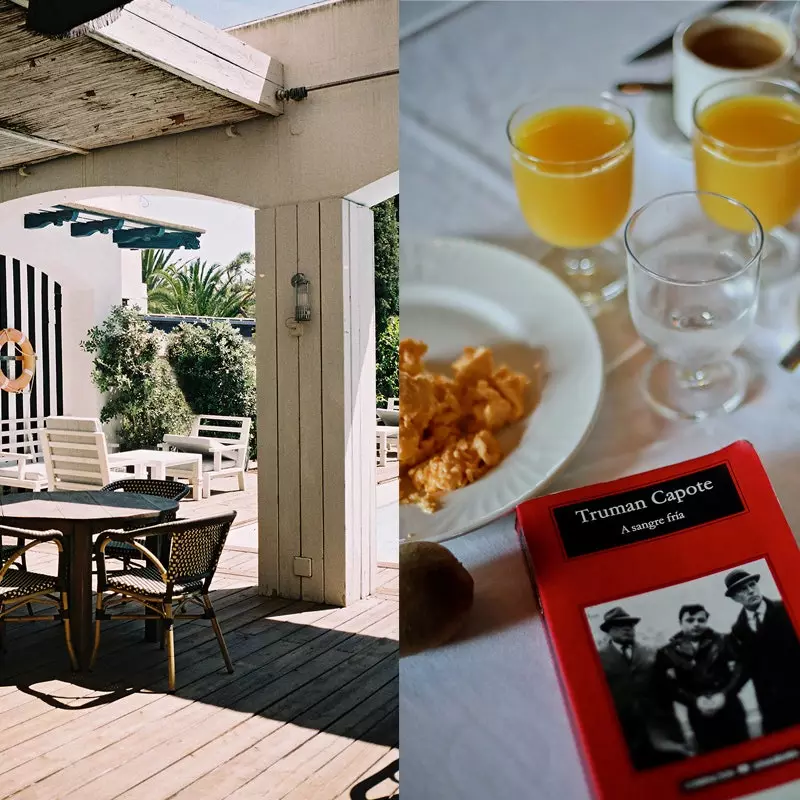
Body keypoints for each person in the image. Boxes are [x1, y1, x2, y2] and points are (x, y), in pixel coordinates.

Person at [597, 606, 691, 770]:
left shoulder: (652, 653)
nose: (627, 628)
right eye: (620, 625)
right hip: (627, 737)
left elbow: (671, 687)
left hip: (664, 732)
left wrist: (697, 701)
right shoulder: (597, 659)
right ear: (609, 630)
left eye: (630, 624)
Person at [653, 604, 749, 754]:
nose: (696, 624)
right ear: (681, 623)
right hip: (699, 713)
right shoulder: (667, 652)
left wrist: (724, 694)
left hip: (730, 706)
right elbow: (666, 685)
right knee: (712, 756)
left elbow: (741, 668)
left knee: (744, 751)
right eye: (690, 620)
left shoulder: (723, 640)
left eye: (701, 620)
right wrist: (694, 700)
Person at [725, 569, 800, 735]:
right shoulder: (738, 630)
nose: (751, 590)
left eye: (752, 585)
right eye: (743, 589)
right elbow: (743, 669)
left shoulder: (787, 608)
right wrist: (723, 695)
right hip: (772, 707)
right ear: (735, 598)